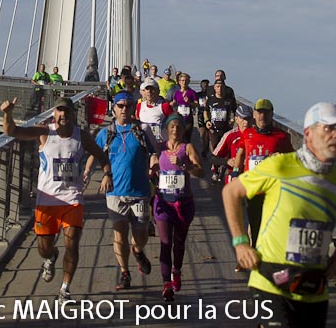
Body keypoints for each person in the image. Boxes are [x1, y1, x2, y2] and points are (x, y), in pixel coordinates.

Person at [223, 102, 336, 328]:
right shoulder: (280, 166)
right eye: (328, 128)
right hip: (270, 281)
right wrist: (240, 243)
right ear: (308, 133)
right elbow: (231, 191)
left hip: (313, 286)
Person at [1, 95, 112, 305]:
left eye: (67, 111)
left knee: (72, 243)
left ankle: (64, 290)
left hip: (72, 199)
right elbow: (12, 131)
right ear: (54, 114)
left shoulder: (82, 137)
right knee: (44, 247)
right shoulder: (44, 132)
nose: (63, 115)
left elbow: (101, 155)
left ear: (72, 114)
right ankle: (50, 257)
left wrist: (107, 173)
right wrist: (7, 114)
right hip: (47, 200)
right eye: (59, 111)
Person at [85, 90, 153, 291]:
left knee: (140, 234)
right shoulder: (106, 133)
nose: (124, 109)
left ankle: (138, 251)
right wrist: (88, 171)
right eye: (120, 106)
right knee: (119, 234)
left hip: (140, 190)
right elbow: (95, 152)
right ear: (113, 108)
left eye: (128, 106)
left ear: (133, 108)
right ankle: (125, 272)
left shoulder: (142, 130)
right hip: (115, 192)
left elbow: (155, 151)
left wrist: (155, 162)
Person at [150, 114, 204, 301]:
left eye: (178, 127)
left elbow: (201, 171)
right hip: (164, 203)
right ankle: (166, 284)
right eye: (172, 127)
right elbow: (152, 165)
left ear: (183, 130)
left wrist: (186, 166)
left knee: (179, 243)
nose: (175, 130)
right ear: (167, 129)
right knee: (165, 243)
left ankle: (176, 270)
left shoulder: (187, 148)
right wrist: (152, 169)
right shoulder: (160, 148)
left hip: (183, 203)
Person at [232, 98, 293, 245]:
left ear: (272, 114)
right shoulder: (247, 134)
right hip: (253, 190)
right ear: (254, 114)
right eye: (259, 113)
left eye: (266, 113)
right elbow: (240, 154)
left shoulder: (282, 136)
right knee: (255, 225)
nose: (262, 116)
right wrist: (235, 174)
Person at [211, 103, 253, 184]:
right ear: (236, 119)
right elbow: (213, 159)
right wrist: (227, 162)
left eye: (249, 119)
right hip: (235, 175)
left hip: (253, 175)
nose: (246, 122)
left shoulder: (258, 135)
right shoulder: (230, 135)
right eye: (243, 118)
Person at [204, 79, 236, 176]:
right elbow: (206, 111)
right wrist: (207, 121)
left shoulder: (228, 101)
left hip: (226, 129)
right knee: (215, 150)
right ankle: (215, 169)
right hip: (214, 129)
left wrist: (232, 120)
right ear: (214, 88)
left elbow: (234, 112)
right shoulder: (210, 100)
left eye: (221, 87)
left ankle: (222, 168)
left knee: (226, 151)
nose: (219, 89)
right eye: (217, 87)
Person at [135, 77, 173, 150]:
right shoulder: (140, 106)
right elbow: (137, 122)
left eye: (152, 89)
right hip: (144, 145)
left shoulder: (164, 106)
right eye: (147, 89)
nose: (149, 92)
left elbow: (175, 123)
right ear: (144, 91)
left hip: (161, 144)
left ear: (158, 91)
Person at [172, 73, 198, 142]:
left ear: (189, 82)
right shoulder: (177, 93)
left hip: (188, 119)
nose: (184, 82)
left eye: (186, 80)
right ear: (179, 82)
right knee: (179, 137)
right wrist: (172, 104)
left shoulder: (192, 92)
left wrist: (189, 102)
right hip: (179, 119)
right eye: (182, 80)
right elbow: (174, 102)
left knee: (187, 138)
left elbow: (196, 104)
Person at [196, 79, 210, 157]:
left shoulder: (211, 94)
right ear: (201, 86)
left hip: (208, 114)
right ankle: (203, 148)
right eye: (203, 85)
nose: (205, 86)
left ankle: (207, 147)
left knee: (208, 133)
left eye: (206, 85)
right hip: (201, 114)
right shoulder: (198, 94)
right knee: (202, 133)